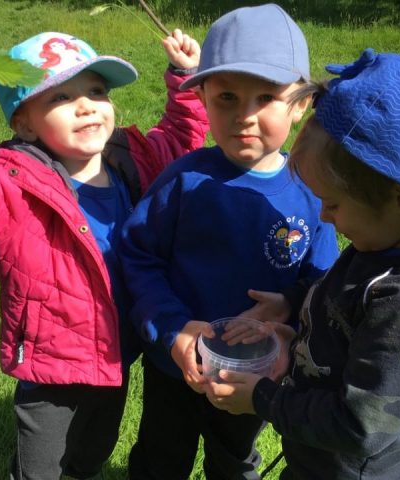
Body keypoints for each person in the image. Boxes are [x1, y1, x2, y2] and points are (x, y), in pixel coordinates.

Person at [0, 29, 208, 480]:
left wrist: (184, 75)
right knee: (41, 469)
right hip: (52, 366)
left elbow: (178, 138)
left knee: (92, 452)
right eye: (61, 97)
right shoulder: (12, 188)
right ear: (25, 124)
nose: (87, 106)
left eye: (96, 91)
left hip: (116, 353)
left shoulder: (131, 160)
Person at [204, 41, 400, 479]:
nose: (325, 216)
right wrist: (292, 311)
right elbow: (342, 300)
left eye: (332, 204)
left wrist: (263, 399)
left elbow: (361, 425)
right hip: (313, 459)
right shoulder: (386, 241)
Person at [119, 4, 340, 480]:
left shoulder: (313, 192)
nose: (244, 116)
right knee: (161, 457)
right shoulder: (184, 180)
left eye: (266, 97)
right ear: (200, 96)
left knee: (234, 459)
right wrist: (172, 329)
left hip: (254, 370)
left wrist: (289, 303)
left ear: (300, 104)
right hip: (175, 365)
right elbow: (137, 254)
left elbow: (324, 281)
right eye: (226, 97)